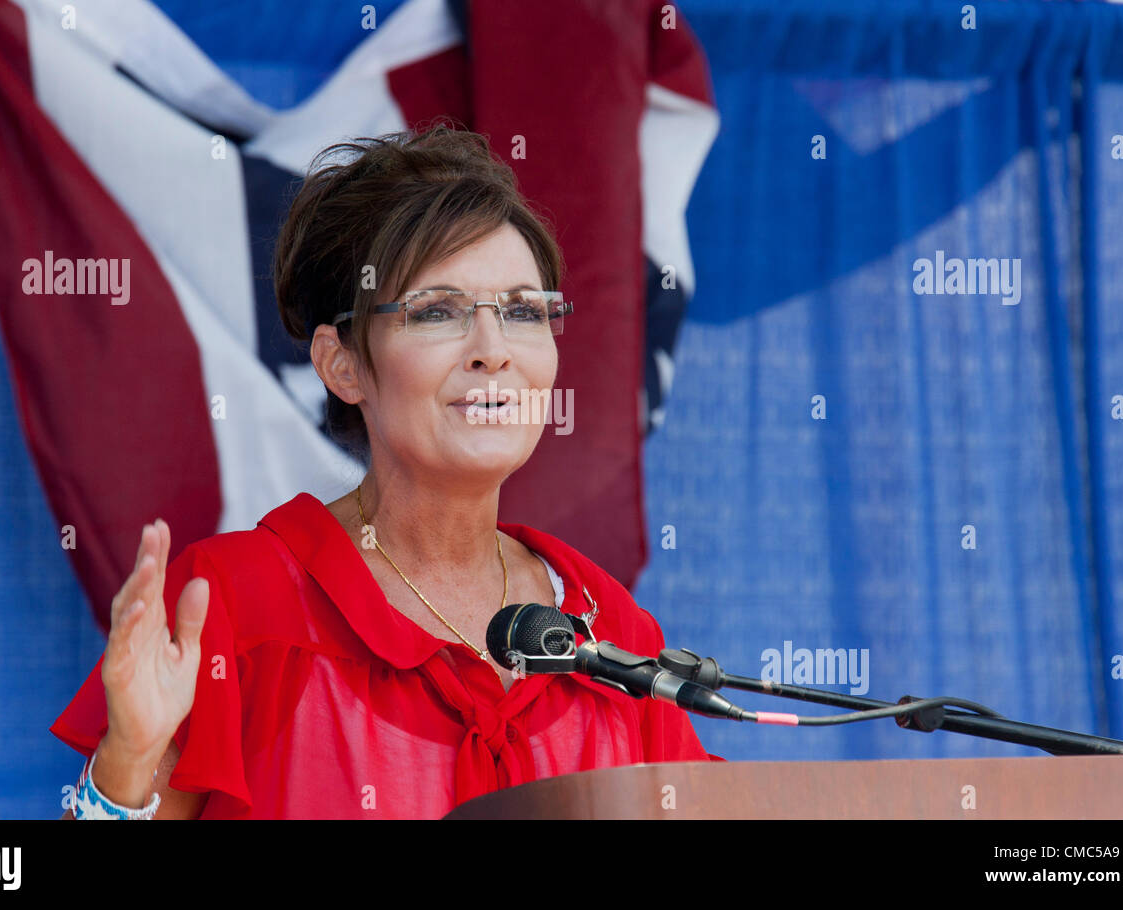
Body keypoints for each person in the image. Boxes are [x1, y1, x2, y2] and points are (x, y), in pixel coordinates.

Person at [51, 124, 723, 819]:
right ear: (341, 364)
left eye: (523, 311)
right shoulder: (230, 606)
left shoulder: (610, 630)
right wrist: (128, 761)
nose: (493, 350)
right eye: (438, 311)